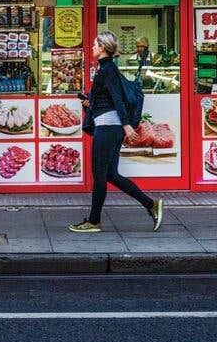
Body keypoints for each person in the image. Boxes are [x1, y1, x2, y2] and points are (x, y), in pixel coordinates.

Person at [69, 31, 162, 233]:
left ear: (102, 48)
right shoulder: (105, 68)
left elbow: (118, 99)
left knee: (99, 175)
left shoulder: (108, 69)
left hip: (109, 128)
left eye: (95, 44)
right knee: (111, 174)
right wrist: (88, 103)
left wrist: (127, 125)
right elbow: (106, 101)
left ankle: (94, 221)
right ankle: (150, 204)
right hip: (109, 126)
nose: (92, 47)